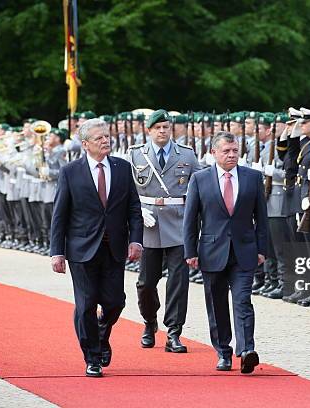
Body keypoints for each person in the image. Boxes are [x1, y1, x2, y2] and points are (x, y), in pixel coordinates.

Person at [50, 118, 143, 378]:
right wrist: (57, 251)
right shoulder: (71, 171)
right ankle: (92, 357)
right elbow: (60, 214)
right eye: (99, 137)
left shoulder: (123, 168)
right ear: (85, 144)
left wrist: (136, 240)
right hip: (81, 249)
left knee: (115, 302)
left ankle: (101, 333)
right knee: (86, 303)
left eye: (107, 136)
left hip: (114, 248)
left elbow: (134, 209)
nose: (106, 140)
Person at [183, 131, 268, 374]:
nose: (232, 155)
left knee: (243, 300)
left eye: (235, 151)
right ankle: (223, 351)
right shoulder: (200, 179)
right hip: (211, 251)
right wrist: (190, 251)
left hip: (244, 251)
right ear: (214, 153)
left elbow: (261, 217)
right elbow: (191, 220)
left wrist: (262, 249)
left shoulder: (252, 177)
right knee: (217, 304)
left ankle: (247, 350)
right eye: (226, 151)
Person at [127, 109, 200, 352]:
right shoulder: (136, 155)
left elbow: (199, 188)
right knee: (146, 283)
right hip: (148, 225)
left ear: (172, 129)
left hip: (178, 224)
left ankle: (174, 332)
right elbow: (126, 192)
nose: (162, 131)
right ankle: (149, 322)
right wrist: (138, 211)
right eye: (157, 128)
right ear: (148, 131)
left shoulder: (187, 155)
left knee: (178, 282)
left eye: (166, 127)